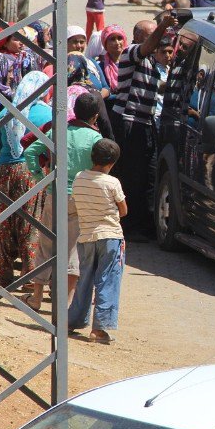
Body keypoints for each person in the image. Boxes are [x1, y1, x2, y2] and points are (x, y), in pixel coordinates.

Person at [24, 92, 105, 312]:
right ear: (95, 117)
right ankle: (65, 305)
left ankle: (37, 297)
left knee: (46, 245)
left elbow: (31, 152)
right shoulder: (95, 139)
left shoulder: (58, 130)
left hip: (56, 193)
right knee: (73, 250)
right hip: (81, 199)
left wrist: (41, 179)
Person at [111, 14, 178, 240]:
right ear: (139, 37)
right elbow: (149, 46)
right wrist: (164, 26)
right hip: (130, 124)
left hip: (147, 125)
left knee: (149, 176)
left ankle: (146, 224)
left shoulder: (154, 62)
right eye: (152, 36)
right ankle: (130, 227)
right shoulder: (132, 54)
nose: (157, 41)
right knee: (133, 177)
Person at [0, 71, 52, 288]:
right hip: (32, 171)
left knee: (3, 221)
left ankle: (6, 273)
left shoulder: (6, 112)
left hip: (3, 171)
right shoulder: (48, 114)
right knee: (31, 221)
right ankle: (29, 272)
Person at [68, 138, 127, 344]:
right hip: (110, 237)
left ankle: (72, 321)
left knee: (84, 279)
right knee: (108, 280)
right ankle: (99, 329)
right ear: (112, 164)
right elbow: (124, 210)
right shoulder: (112, 182)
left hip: (85, 237)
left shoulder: (79, 178)